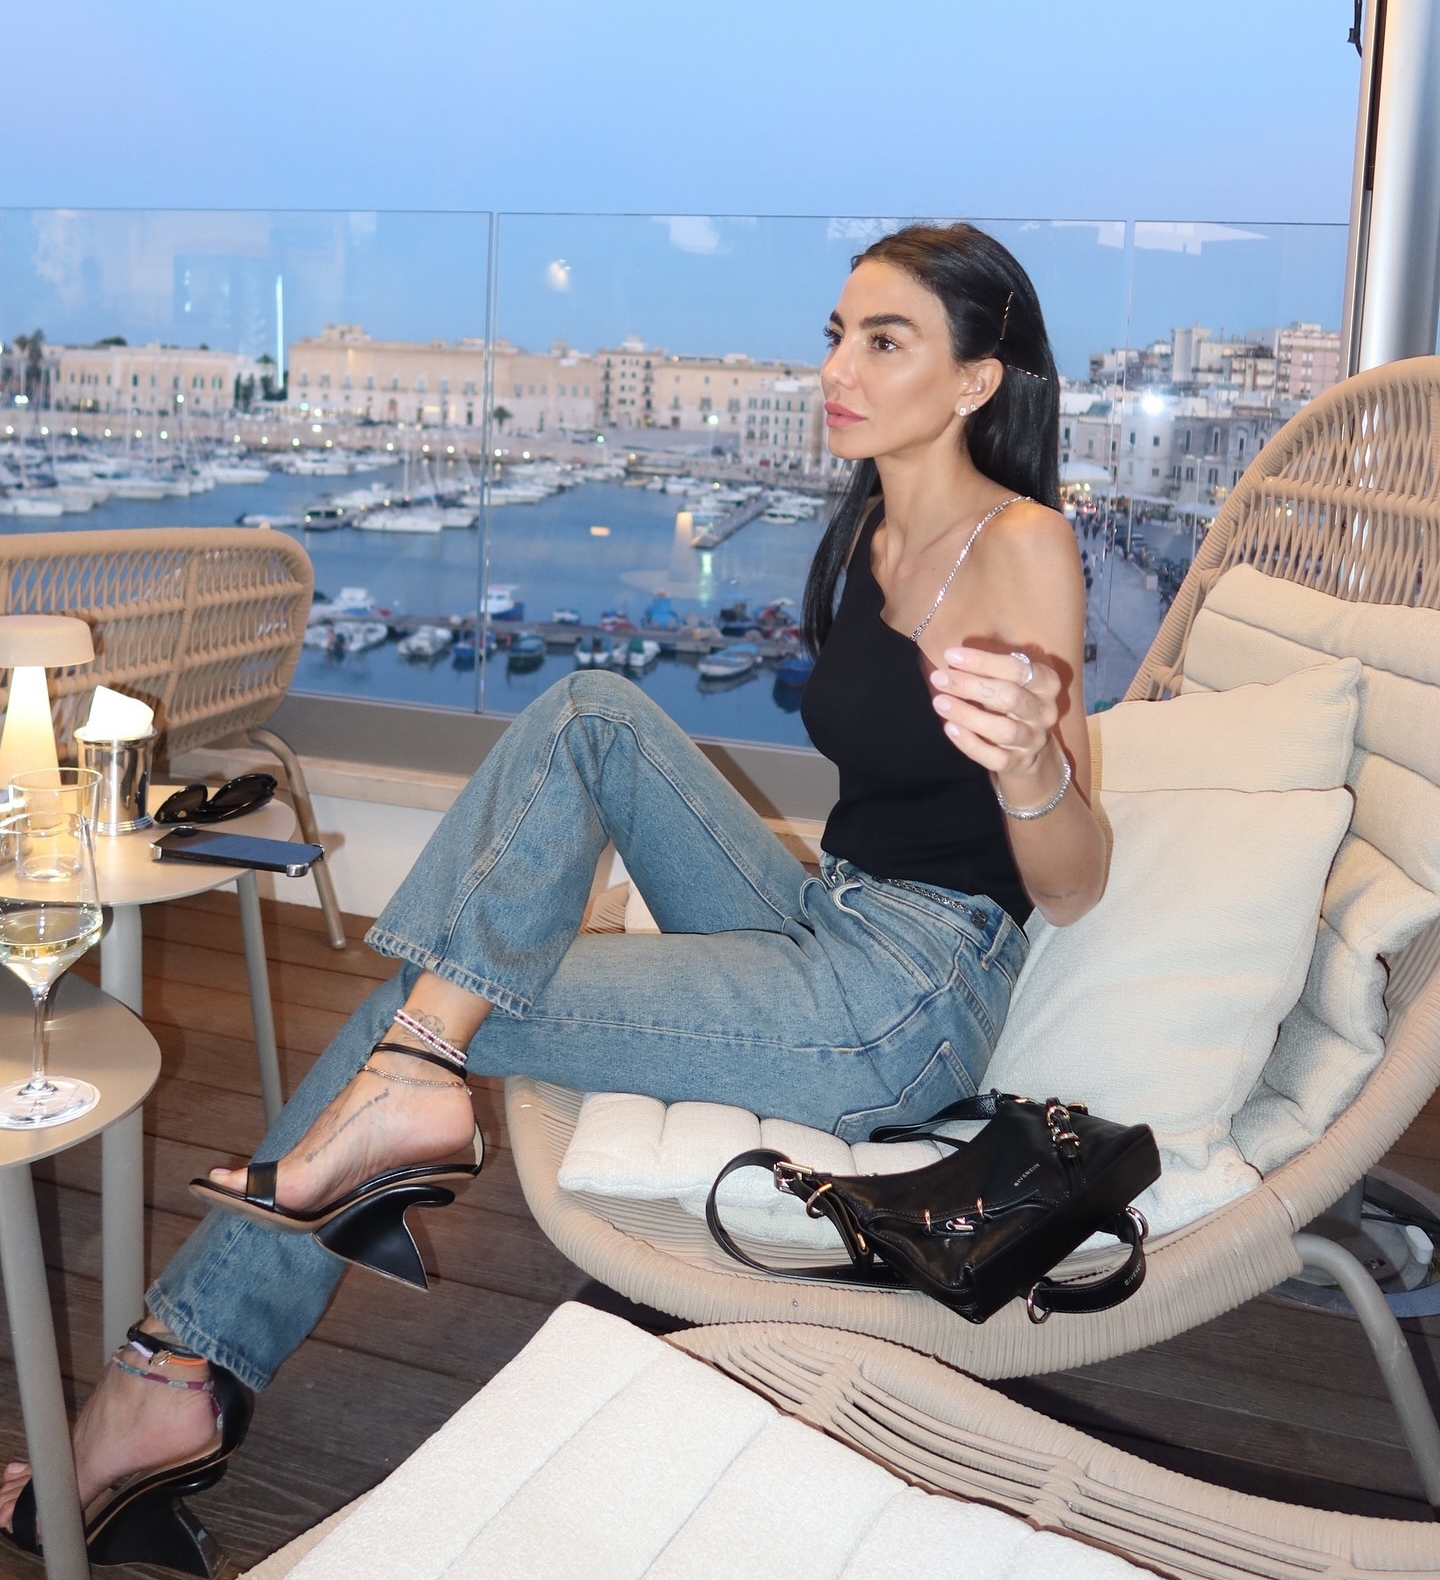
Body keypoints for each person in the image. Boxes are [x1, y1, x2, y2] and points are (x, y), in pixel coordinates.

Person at [0, 222, 1107, 1567]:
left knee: (440, 1000)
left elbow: (1073, 884)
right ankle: (387, 1112)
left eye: (886, 341)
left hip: (909, 1000)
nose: (837, 369)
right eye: (836, 335)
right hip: (829, 915)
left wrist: (1034, 767)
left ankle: (174, 1374)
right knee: (588, 710)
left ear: (978, 380)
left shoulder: (1024, 544)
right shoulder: (870, 531)